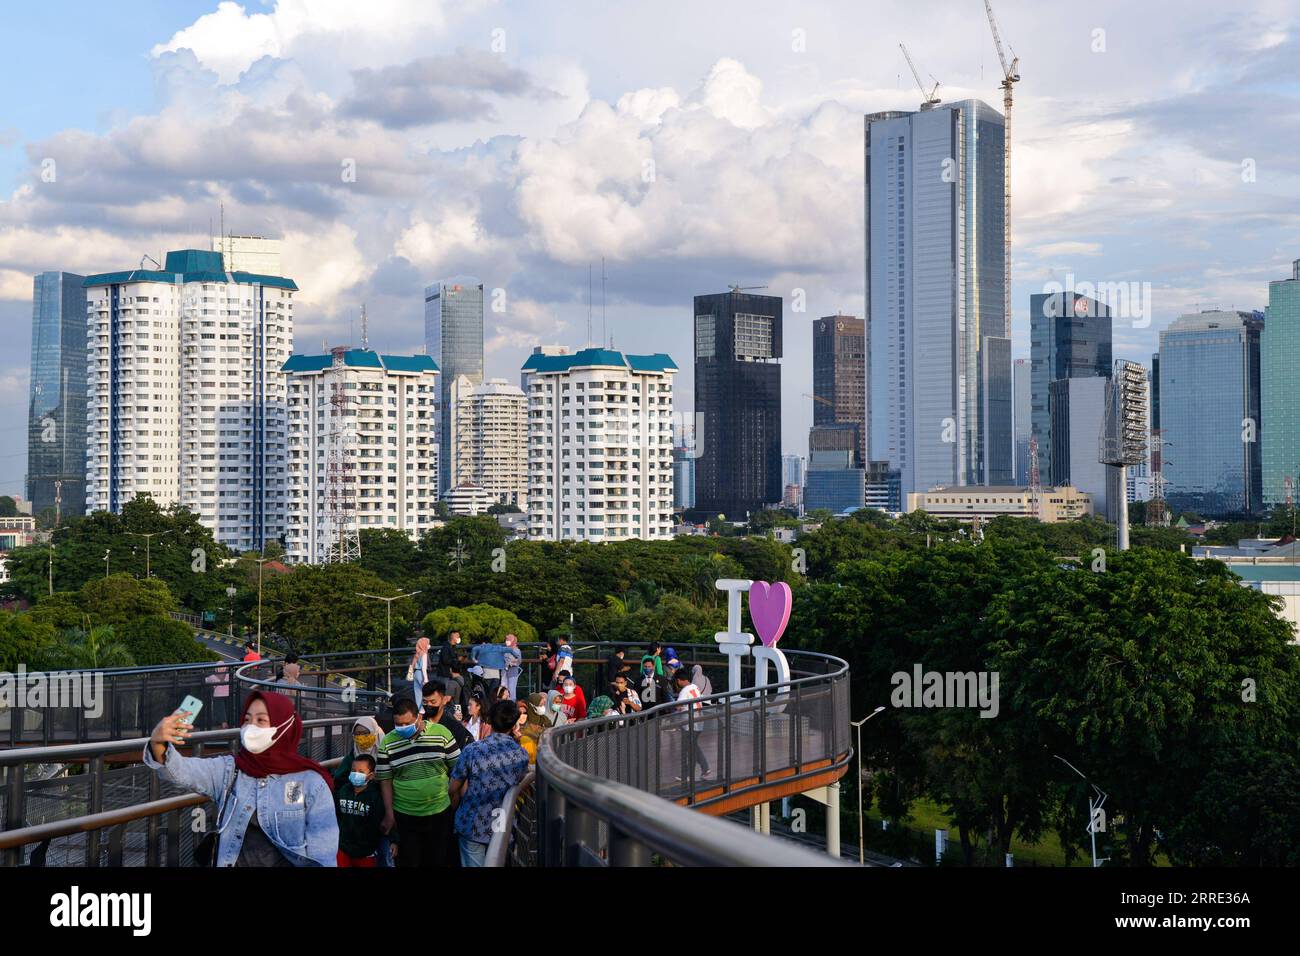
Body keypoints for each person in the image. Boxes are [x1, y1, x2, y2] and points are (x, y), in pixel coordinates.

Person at [144, 690, 338, 866]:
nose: (250, 727)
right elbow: (182, 771)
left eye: (261, 720)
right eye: (247, 719)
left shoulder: (312, 784)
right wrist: (158, 742)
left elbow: (323, 856)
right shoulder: (231, 770)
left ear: (283, 726)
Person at [375, 697, 461, 868]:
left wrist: (454, 800)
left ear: (419, 717)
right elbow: (385, 780)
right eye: (398, 724)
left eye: (406, 723)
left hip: (439, 812)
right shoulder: (388, 743)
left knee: (438, 860)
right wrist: (389, 813)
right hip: (405, 815)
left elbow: (458, 769)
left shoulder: (441, 733)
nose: (402, 728)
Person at [448, 700, 530, 867]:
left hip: (471, 822)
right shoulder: (521, 754)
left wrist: (455, 807)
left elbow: (453, 788)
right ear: (514, 724)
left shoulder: (472, 750)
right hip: (502, 822)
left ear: (490, 720)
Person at [334, 754, 393, 867]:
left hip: (366, 851)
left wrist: (393, 840)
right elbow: (335, 814)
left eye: (361, 772)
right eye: (353, 770)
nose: (356, 774)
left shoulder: (375, 797)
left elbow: (383, 820)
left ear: (371, 776)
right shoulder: (343, 791)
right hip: (343, 848)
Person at [672, 669, 710, 780]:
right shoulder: (694, 687)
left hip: (690, 724)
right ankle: (703, 768)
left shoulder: (684, 691)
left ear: (679, 680)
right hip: (698, 722)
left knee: (690, 748)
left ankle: (689, 774)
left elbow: (678, 706)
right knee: (692, 747)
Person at [422, 679, 476, 751]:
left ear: (444, 700)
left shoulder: (456, 728)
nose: (428, 705)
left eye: (433, 702)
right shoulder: (418, 725)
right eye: (425, 702)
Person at [204, 663, 232, 728]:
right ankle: (228, 723)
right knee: (227, 709)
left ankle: (223, 723)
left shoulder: (212, 677)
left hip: (217, 695)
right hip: (228, 694)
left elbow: (205, 680)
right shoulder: (229, 675)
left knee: (220, 709)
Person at [408, 637, 432, 709]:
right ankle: (425, 710)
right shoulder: (424, 654)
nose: (429, 645)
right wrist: (426, 679)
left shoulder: (417, 653)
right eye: (427, 643)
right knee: (426, 693)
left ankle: (419, 710)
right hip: (421, 674)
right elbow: (424, 668)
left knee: (418, 694)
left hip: (416, 673)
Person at [503, 634, 523, 700]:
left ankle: (512, 704)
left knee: (512, 690)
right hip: (504, 672)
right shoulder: (505, 650)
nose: (506, 641)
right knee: (504, 689)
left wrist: (512, 663)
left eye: (508, 640)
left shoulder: (517, 650)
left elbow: (519, 661)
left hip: (513, 672)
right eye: (506, 640)